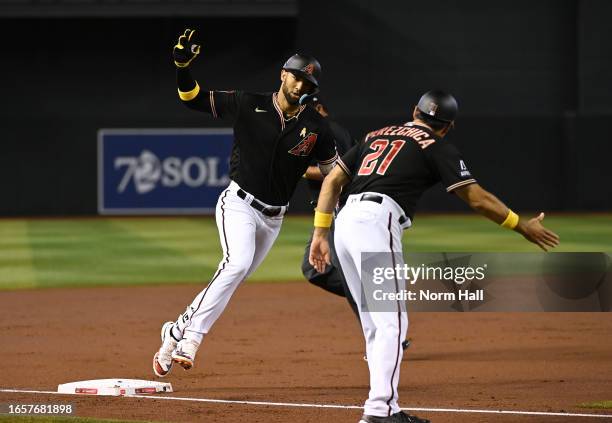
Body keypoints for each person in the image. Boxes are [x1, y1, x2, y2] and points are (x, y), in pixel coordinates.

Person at [309, 90, 560, 423]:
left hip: (345, 224)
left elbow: (333, 181)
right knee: (392, 323)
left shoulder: (375, 135)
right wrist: (520, 226)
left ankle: (385, 408)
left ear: (415, 110)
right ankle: (380, 411)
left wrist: (320, 233)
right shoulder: (436, 145)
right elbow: (478, 199)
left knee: (375, 324)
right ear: (448, 126)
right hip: (376, 222)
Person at [153, 29, 338, 377]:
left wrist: (326, 215)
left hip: (274, 218)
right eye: (297, 77)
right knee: (234, 265)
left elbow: (332, 175)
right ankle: (191, 339)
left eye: (308, 84)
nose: (300, 86)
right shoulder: (246, 103)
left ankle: (174, 331)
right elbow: (192, 98)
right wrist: (181, 67)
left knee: (229, 279)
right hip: (238, 204)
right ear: (283, 74)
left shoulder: (317, 128)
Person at [301, 100, 360, 320]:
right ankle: (367, 293)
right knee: (313, 269)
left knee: (347, 273)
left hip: (342, 207)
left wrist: (302, 170)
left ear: (318, 109)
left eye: (305, 110)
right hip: (329, 210)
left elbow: (338, 171)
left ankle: (386, 335)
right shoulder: (323, 131)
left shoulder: (330, 130)